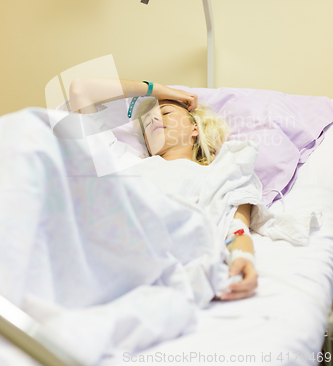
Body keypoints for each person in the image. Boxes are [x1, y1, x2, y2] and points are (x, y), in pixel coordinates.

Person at [69, 78, 259, 301]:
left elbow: (236, 228)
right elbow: (80, 89)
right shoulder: (122, 159)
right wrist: (157, 90)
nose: (153, 119)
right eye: (147, 121)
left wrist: (244, 258)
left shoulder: (221, 173)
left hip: (162, 259)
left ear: (194, 128)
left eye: (166, 113)